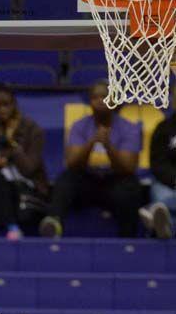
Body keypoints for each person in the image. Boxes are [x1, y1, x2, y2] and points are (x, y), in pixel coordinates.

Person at [42, 80, 142, 238]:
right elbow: (73, 163)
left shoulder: (128, 128)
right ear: (90, 101)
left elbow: (128, 167)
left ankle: (128, 238)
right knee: (66, 180)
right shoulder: (79, 126)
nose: (100, 100)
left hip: (115, 180)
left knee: (130, 188)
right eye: (95, 97)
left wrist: (108, 145)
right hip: (87, 179)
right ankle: (53, 224)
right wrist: (92, 141)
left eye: (104, 96)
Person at [0, 85, 49, 239]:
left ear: (14, 104)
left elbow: (30, 169)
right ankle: (10, 228)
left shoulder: (33, 131)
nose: (2, 110)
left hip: (26, 189)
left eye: (6, 104)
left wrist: (12, 146)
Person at [139, 84, 176, 239]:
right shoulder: (163, 128)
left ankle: (159, 220)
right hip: (169, 182)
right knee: (161, 196)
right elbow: (158, 163)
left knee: (163, 205)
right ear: (173, 100)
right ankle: (162, 219)